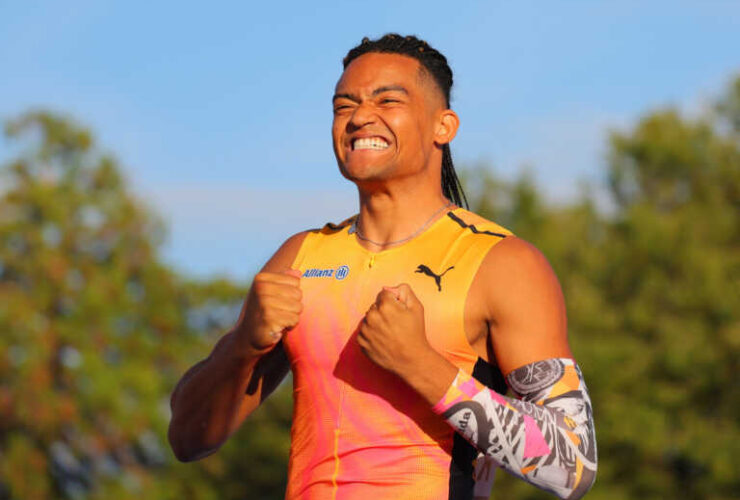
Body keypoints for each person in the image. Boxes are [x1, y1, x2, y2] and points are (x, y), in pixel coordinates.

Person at [168, 34, 597, 500]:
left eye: (387, 100)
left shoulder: (503, 263)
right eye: (344, 105)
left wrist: (423, 366)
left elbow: (572, 464)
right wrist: (242, 346)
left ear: (443, 126)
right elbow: (187, 439)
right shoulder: (301, 257)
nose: (359, 117)